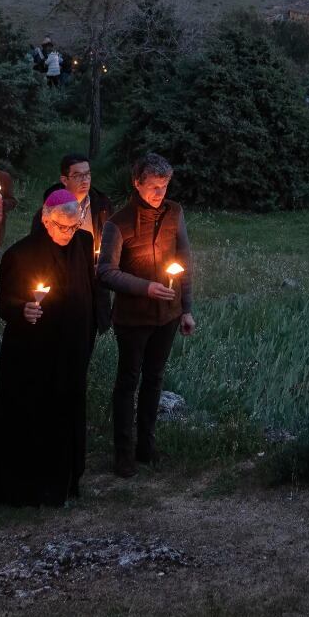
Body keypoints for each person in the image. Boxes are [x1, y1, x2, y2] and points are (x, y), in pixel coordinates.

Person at [0, 189, 98, 507]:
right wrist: (23, 309)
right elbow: (3, 303)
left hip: (71, 348)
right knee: (31, 416)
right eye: (62, 227)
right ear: (46, 220)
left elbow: (89, 289)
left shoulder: (83, 243)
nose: (68, 233)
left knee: (67, 412)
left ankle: (65, 479)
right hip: (32, 353)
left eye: (73, 226)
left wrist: (92, 325)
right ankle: (26, 486)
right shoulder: (20, 255)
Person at [98, 153, 195, 478]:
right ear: (137, 183)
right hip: (132, 318)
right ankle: (123, 453)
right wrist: (145, 288)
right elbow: (106, 272)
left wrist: (186, 309)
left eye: (164, 186)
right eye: (153, 186)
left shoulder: (174, 213)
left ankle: (146, 446)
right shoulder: (119, 222)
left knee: (154, 379)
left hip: (167, 315)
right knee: (128, 382)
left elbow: (184, 258)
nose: (159, 193)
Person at [36, 153, 113, 330]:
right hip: (59, 282)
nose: (85, 180)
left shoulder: (101, 205)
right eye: (78, 175)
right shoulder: (50, 210)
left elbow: (110, 240)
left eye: (88, 174)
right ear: (64, 179)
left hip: (92, 283)